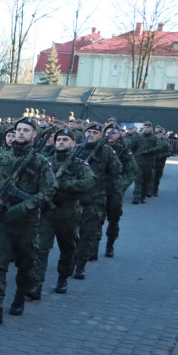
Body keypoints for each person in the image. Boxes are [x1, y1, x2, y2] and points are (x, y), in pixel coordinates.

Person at [0, 117, 56, 326]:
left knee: (25, 265)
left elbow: (49, 190)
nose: (20, 133)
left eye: (26, 130)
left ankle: (20, 297)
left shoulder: (40, 163)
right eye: (18, 129)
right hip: (0, 223)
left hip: (26, 224)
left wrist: (26, 206)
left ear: (34, 135)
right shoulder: (0, 158)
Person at [29, 128, 94, 296]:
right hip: (47, 214)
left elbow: (88, 183)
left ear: (73, 143)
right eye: (59, 140)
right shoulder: (46, 162)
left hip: (68, 214)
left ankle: (62, 278)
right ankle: (37, 283)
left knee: (68, 250)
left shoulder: (79, 164)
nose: (61, 142)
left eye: (66, 140)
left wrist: (64, 185)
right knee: (41, 248)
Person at [73, 122, 122, 268]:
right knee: (73, 232)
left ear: (101, 135)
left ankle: (81, 263)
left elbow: (117, 172)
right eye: (89, 132)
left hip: (96, 198)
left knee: (89, 232)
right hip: (75, 197)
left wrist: (115, 194)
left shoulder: (106, 150)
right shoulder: (75, 150)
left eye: (95, 133)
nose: (91, 135)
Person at [105, 127, 138, 256]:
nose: (111, 135)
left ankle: (110, 245)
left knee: (113, 219)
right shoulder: (99, 148)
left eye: (114, 133)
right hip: (98, 190)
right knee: (94, 221)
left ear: (119, 134)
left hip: (115, 190)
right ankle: (92, 249)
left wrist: (122, 185)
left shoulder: (124, 150)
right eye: (108, 133)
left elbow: (133, 171)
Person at [132, 121, 158, 204]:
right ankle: (136, 197)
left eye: (148, 127)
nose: (146, 129)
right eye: (145, 127)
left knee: (146, 180)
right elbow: (133, 147)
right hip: (138, 161)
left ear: (151, 128)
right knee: (138, 179)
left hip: (148, 162)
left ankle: (143, 197)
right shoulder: (139, 137)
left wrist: (148, 151)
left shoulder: (154, 138)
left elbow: (158, 148)